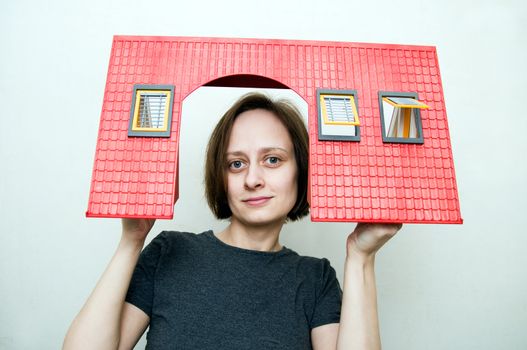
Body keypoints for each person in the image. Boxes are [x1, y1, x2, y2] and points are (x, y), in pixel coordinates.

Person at [63, 92, 401, 350]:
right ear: (219, 176)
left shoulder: (315, 279)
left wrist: (361, 257)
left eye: (272, 159)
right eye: (236, 164)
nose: (252, 179)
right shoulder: (170, 252)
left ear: (302, 171)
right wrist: (131, 240)